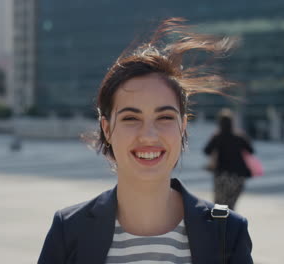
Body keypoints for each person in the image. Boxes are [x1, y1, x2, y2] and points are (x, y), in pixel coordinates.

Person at [38, 18, 253, 264]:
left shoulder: (227, 232)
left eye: (164, 117)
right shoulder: (69, 231)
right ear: (107, 129)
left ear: (183, 126)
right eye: (131, 118)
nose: (149, 135)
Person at [204, 108, 254, 210]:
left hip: (222, 175)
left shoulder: (217, 137)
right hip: (238, 175)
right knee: (231, 205)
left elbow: (207, 151)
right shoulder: (240, 136)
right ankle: (231, 224)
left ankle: (220, 225)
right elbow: (250, 150)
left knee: (220, 206)